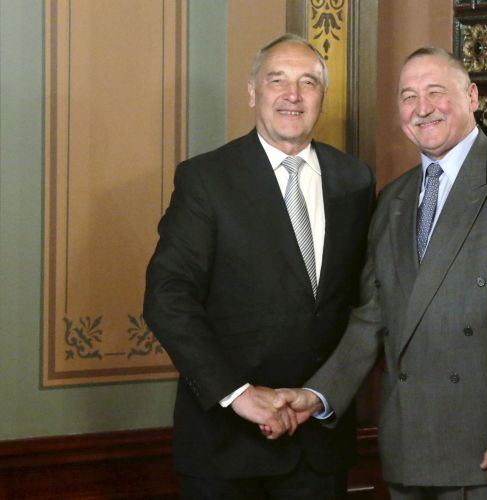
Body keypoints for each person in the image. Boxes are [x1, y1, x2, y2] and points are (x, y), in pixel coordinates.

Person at [277, 47, 487, 499]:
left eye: (436, 92)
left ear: (471, 97)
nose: (422, 108)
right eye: (408, 96)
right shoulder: (392, 200)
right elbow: (372, 318)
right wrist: (318, 395)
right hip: (408, 447)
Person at [143, 33, 374, 499]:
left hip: (319, 447)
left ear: (322, 96)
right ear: (252, 92)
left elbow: (363, 303)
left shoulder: (355, 179)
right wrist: (238, 394)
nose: (293, 95)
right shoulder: (206, 179)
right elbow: (167, 298)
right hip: (226, 448)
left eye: (308, 82)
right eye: (277, 80)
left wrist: (322, 394)